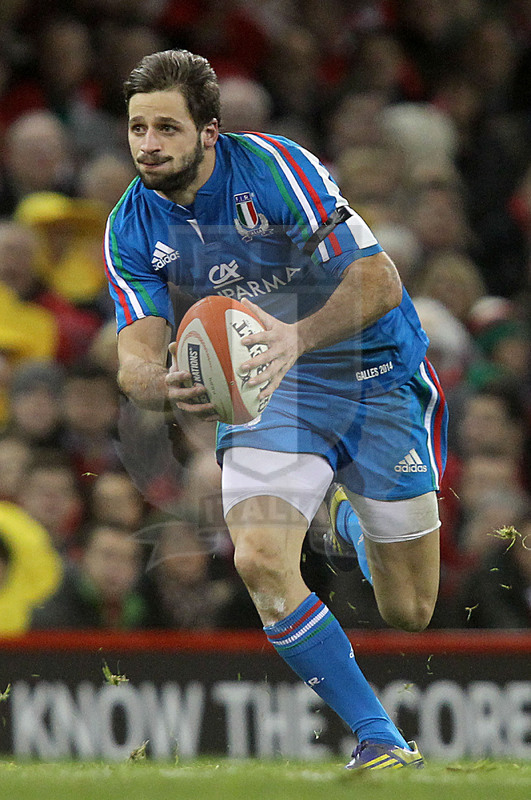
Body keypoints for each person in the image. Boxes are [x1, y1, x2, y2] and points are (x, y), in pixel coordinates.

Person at [105, 49, 448, 771]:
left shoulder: (273, 167)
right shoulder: (130, 226)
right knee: (259, 558)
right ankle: (379, 736)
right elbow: (133, 357)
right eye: (137, 128)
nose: (147, 144)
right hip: (270, 384)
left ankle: (348, 517)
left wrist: (295, 334)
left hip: (373, 368)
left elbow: (377, 279)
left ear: (208, 132)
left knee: (408, 609)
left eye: (165, 127)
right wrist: (156, 381)